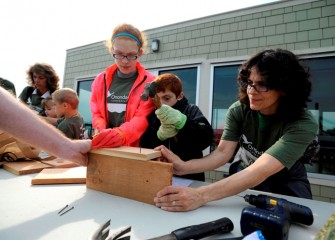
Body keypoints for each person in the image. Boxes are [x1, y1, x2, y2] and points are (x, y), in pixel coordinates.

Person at [153, 48, 318, 212]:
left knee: (301, 219)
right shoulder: (239, 110)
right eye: (250, 83)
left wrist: (200, 195)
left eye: (262, 85)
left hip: (286, 179)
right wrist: (183, 167)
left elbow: (260, 170)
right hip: (245, 172)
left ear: (284, 88)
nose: (251, 91)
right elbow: (223, 153)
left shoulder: (302, 123)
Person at [90, 23, 156, 149]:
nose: (125, 61)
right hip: (105, 147)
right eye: (119, 54)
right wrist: (100, 128)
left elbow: (142, 118)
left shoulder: (150, 82)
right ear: (112, 51)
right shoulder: (100, 80)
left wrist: (119, 135)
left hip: (136, 150)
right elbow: (96, 111)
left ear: (140, 52)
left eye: (131, 55)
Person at [140, 73, 214, 181]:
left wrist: (183, 122)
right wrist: (159, 136)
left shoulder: (191, 110)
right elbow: (145, 144)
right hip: (160, 176)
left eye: (166, 98)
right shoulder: (154, 115)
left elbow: (206, 138)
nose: (162, 104)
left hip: (189, 176)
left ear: (179, 96)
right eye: (158, 99)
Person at [0, 87, 90, 166]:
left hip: (63, 163)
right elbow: (56, 121)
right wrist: (35, 117)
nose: (54, 108)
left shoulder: (65, 126)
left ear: (65, 105)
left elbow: (57, 154)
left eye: (55, 105)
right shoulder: (77, 117)